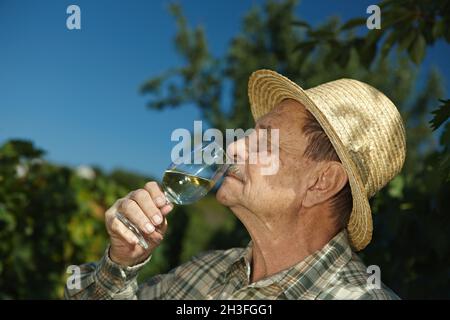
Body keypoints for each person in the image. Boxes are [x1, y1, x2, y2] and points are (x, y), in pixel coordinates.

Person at [65, 69, 406, 299]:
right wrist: (121, 264)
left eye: (265, 143)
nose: (234, 147)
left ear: (321, 182)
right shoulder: (204, 271)